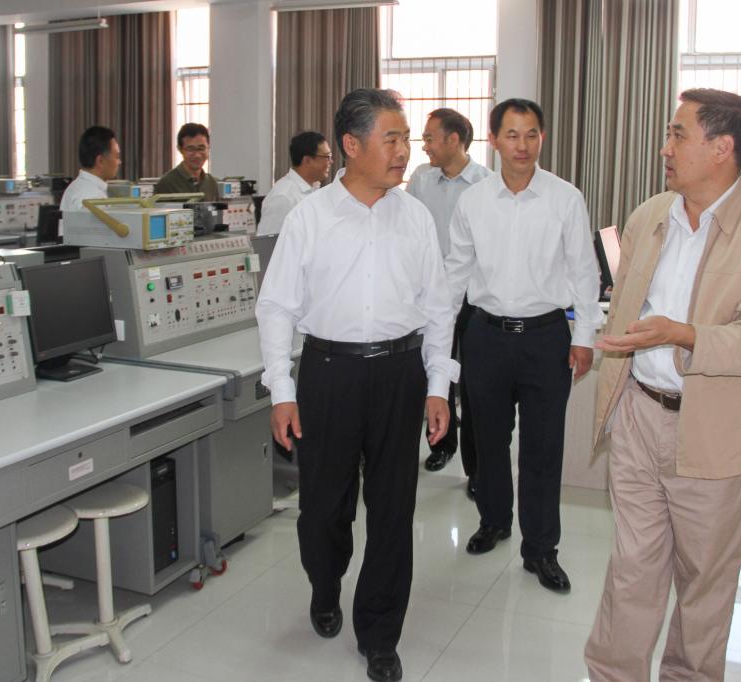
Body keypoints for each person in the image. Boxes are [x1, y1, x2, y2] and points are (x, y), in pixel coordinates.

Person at [583, 89, 741, 680]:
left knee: (704, 585)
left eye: (678, 135)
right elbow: (625, 304)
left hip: (716, 433)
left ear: (722, 148)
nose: (666, 148)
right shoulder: (650, 216)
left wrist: (682, 335)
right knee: (631, 570)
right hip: (639, 416)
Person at [256, 88, 457, 682]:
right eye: (391, 139)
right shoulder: (309, 217)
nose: (404, 151)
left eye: (405, 139)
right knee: (323, 509)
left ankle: (379, 633)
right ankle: (325, 584)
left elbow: (438, 308)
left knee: (393, 511)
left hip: (400, 373)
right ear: (351, 144)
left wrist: (438, 385)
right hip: (329, 374)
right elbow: (276, 307)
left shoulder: (415, 217)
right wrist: (281, 391)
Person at [446, 98, 603, 593]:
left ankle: (541, 549)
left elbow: (584, 273)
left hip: (545, 338)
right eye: (511, 134)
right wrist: (438, 340)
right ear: (493, 140)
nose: (522, 145)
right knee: (488, 440)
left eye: (531, 134)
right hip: (485, 336)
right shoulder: (473, 201)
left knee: (542, 448)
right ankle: (494, 521)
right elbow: (455, 274)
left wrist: (585, 337)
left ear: (542, 138)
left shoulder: (565, 198)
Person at [406, 108, 490, 490]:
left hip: (472, 297)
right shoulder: (421, 180)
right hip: (427, 293)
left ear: (454, 140)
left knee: (472, 382)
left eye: (429, 138)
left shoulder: (486, 184)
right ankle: (441, 444)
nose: (424, 146)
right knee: (433, 371)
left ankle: (475, 467)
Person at [257, 131, 333, 235]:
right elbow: (268, 241)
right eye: (327, 157)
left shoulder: (315, 189)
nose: (331, 161)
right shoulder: (283, 197)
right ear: (307, 160)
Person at [59, 126, 121, 212]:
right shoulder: (92, 197)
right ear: (101, 161)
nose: (119, 162)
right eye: (117, 157)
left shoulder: (76, 186)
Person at [154, 123, 219, 201]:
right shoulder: (167, 184)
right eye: (190, 149)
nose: (197, 155)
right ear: (180, 149)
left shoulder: (211, 183)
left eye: (201, 148)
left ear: (208, 148)